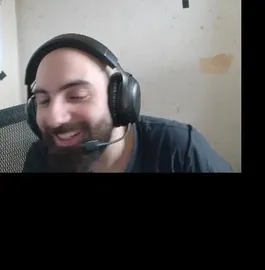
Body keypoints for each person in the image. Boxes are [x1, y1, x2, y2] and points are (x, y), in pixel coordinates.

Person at [23, 33, 233, 173]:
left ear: (120, 100)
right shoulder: (42, 157)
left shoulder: (179, 150)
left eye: (77, 95)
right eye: (43, 100)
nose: (54, 118)